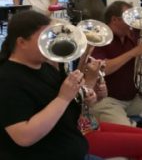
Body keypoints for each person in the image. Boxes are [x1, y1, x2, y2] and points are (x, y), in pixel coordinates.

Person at [0, 10, 100, 159]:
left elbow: (65, 112)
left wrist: (84, 97)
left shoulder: (45, 67)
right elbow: (24, 137)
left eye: (50, 37)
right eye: (43, 39)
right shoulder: (6, 79)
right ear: (21, 42)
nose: (50, 44)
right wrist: (63, 98)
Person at [89, 1, 142, 137]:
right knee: (127, 131)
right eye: (129, 18)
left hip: (133, 98)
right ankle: (137, 143)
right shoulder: (100, 37)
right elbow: (102, 69)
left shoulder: (134, 37)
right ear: (114, 20)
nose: (133, 23)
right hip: (107, 101)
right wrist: (133, 53)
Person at [81, 57, 142, 160]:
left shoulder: (65, 68)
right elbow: (73, 106)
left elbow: (84, 102)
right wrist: (90, 82)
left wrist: (97, 94)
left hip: (90, 124)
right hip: (78, 134)